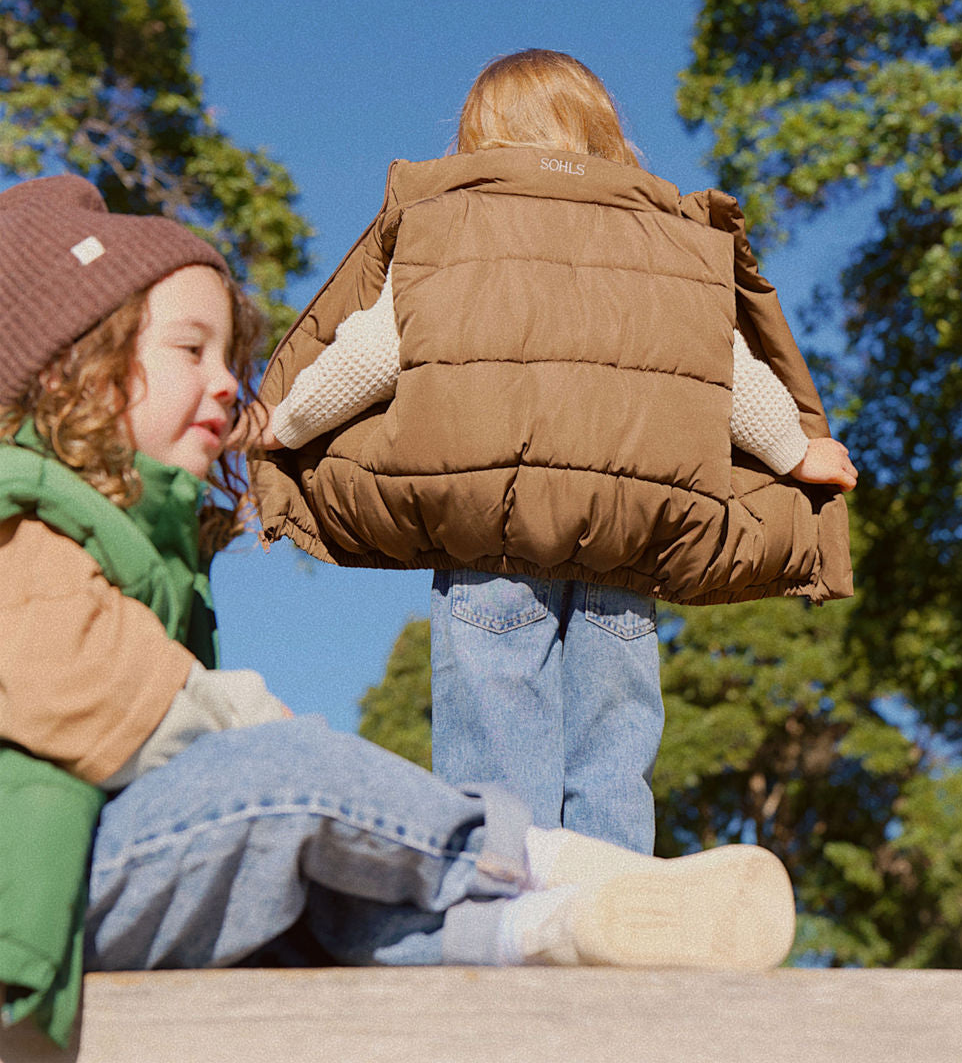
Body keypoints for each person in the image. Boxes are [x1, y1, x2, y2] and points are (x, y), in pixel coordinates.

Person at [0, 174, 798, 1050]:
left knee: (332, 893)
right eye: (191, 351)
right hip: (38, 887)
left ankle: (551, 935)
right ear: (74, 366)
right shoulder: (18, 512)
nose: (227, 384)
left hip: (81, 875)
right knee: (287, 781)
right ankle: (555, 870)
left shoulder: (145, 548)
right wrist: (259, 733)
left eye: (231, 359)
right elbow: (83, 684)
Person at [252, 50, 857, 857]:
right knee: (615, 736)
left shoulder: (452, 225)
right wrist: (795, 454)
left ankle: (505, 895)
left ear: (476, 138)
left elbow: (371, 352)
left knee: (496, 722)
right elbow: (726, 370)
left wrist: (280, 424)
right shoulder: (667, 236)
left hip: (488, 529)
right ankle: (613, 895)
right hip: (626, 534)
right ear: (606, 134)